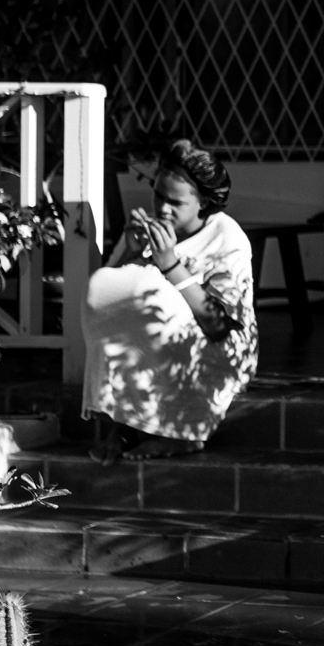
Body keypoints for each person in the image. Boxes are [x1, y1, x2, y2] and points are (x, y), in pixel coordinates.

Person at [83, 139, 258, 463]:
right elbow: (113, 296)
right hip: (156, 339)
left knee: (157, 303)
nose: (162, 208)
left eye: (175, 202)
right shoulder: (152, 227)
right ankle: (120, 426)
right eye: (158, 195)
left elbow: (219, 325)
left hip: (217, 347)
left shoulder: (227, 238)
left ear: (203, 202)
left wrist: (171, 265)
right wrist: (133, 251)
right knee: (103, 291)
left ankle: (176, 433)